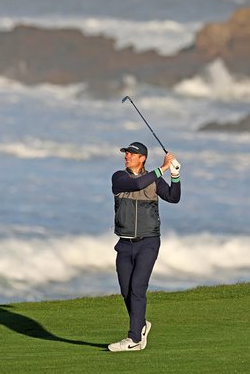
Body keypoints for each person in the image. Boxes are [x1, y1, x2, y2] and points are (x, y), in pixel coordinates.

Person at [108, 142, 181, 352]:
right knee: (126, 291)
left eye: (131, 154)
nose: (127, 156)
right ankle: (141, 325)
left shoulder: (155, 179)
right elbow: (137, 184)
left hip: (148, 242)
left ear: (142, 158)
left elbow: (173, 198)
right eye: (126, 153)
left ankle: (134, 339)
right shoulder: (119, 178)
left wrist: (175, 175)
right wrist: (163, 168)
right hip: (124, 243)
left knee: (138, 288)